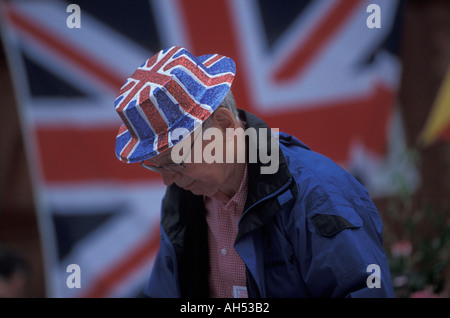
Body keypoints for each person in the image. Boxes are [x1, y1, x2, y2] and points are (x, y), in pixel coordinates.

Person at [114, 46, 395, 298]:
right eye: (155, 165)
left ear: (223, 124)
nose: (167, 179)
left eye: (176, 159)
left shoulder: (318, 194)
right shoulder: (182, 198)